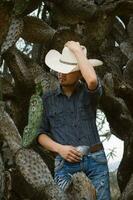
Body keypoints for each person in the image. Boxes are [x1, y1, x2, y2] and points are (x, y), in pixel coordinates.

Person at [37, 41, 111, 200]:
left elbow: (91, 80)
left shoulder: (90, 94)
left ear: (79, 72)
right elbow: (40, 134)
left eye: (67, 71)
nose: (60, 74)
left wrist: (78, 51)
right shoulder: (47, 99)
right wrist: (60, 149)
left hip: (96, 161)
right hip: (65, 164)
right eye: (60, 69)